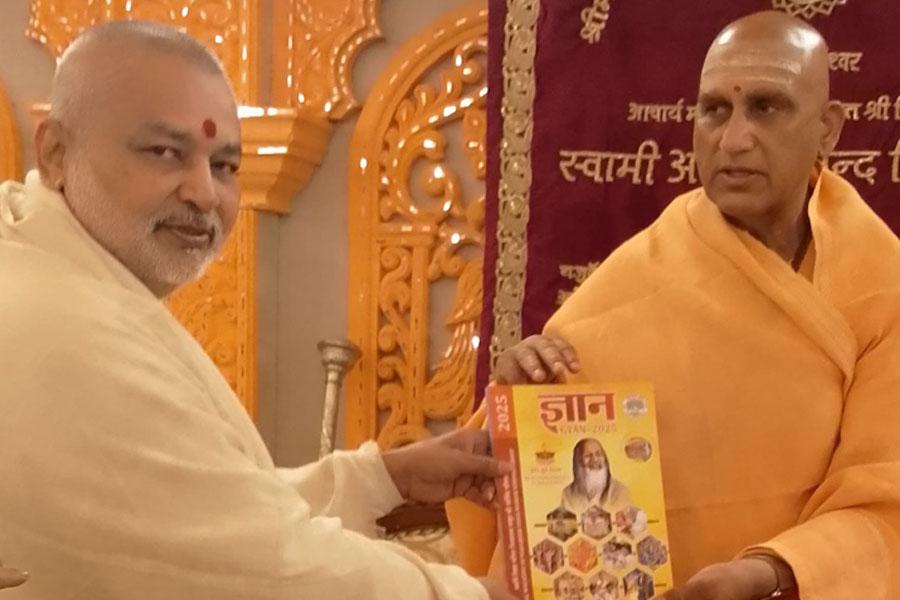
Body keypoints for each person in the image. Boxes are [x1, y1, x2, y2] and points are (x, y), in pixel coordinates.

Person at [0, 21, 513, 600]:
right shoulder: (65, 325)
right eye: (165, 152)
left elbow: (205, 511)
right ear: (56, 151)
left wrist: (383, 480)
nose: (203, 193)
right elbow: (257, 569)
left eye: (224, 165)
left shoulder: (50, 259)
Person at [450, 10, 900, 600]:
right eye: (714, 109)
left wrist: (770, 572)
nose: (734, 138)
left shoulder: (882, 281)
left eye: (766, 107)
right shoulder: (634, 277)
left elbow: (886, 499)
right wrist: (517, 401)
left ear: (829, 129)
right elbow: (531, 477)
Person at [560, 438, 629, 514]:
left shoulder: (620, 491)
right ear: (578, 461)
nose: (595, 459)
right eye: (588, 456)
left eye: (598, 454)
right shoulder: (568, 494)